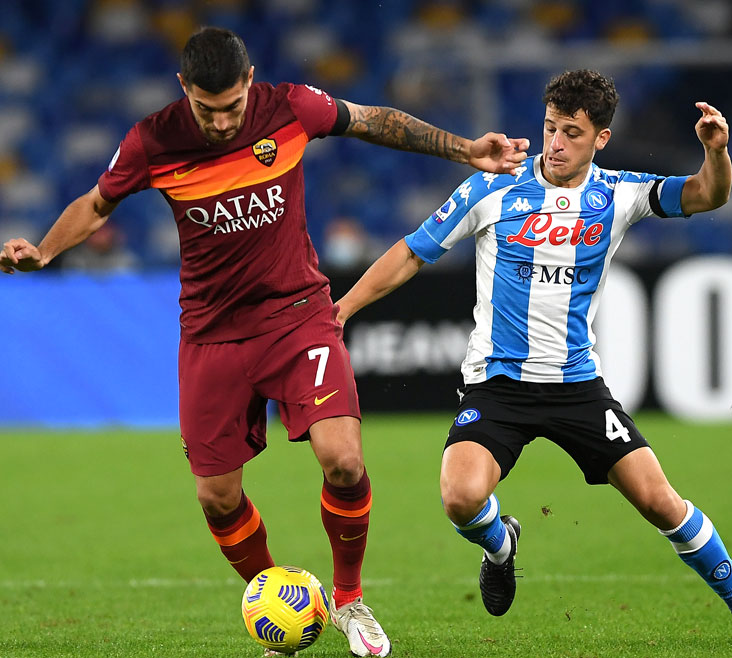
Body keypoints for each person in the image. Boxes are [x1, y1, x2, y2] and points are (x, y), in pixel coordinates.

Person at [0, 27, 529, 658]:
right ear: (183, 89)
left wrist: (464, 149)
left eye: (232, 106)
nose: (223, 122)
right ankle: (276, 598)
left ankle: (349, 600)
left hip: (298, 315)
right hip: (211, 334)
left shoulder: (291, 108)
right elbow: (96, 204)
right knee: (216, 496)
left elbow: (371, 120)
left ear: (250, 80)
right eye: (207, 110)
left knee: (344, 460)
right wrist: (45, 251)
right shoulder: (152, 140)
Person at [334, 69, 732, 647]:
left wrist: (716, 152)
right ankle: (501, 545)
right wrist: (342, 310)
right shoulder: (491, 187)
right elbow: (411, 252)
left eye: (572, 133)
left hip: (577, 386)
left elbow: (709, 194)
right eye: (550, 127)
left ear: (601, 138)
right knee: (460, 497)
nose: (555, 143)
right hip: (498, 384)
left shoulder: (620, 193)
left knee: (660, 502)